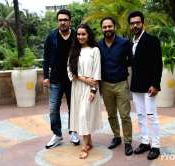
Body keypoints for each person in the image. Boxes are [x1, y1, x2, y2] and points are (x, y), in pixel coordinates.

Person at [128, 11, 163, 160]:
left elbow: (158, 64)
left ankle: (155, 146)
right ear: (130, 26)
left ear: (143, 23)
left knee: (151, 116)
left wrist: (155, 84)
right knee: (141, 116)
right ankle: (145, 141)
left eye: (137, 22)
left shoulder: (152, 40)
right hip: (136, 85)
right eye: (132, 23)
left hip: (149, 86)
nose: (135, 25)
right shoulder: (131, 42)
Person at [43, 9, 80, 149]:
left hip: (73, 79)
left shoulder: (77, 35)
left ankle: (74, 132)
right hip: (55, 79)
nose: (63, 22)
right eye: (60, 20)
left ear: (70, 21)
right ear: (58, 21)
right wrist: (45, 76)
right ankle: (57, 135)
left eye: (65, 20)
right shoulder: (51, 36)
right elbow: (46, 58)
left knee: (74, 108)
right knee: (53, 109)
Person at [98, 17, 133, 156]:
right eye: (104, 27)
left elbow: (131, 60)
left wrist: (121, 69)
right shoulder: (98, 45)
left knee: (125, 115)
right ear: (102, 29)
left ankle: (128, 142)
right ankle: (117, 137)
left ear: (114, 27)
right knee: (111, 114)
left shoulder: (124, 43)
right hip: (105, 85)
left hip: (121, 84)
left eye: (109, 26)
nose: (107, 29)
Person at [68, 23, 102, 159]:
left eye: (83, 34)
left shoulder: (95, 50)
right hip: (77, 87)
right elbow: (70, 71)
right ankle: (89, 142)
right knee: (81, 115)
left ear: (88, 35)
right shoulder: (74, 51)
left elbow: (97, 70)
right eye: (78, 34)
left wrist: (93, 89)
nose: (80, 36)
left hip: (90, 89)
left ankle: (84, 146)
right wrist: (83, 79)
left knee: (84, 115)